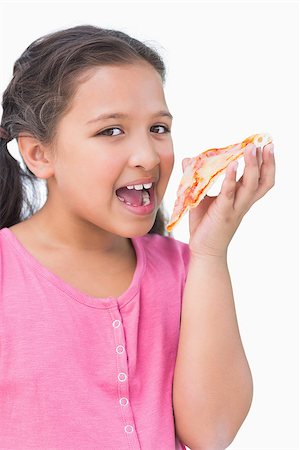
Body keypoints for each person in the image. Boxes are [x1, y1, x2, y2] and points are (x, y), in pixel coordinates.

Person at [0, 25, 275, 450]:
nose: (147, 156)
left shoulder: (187, 268)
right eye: (111, 131)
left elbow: (210, 433)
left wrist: (210, 250)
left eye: (159, 128)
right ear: (40, 153)